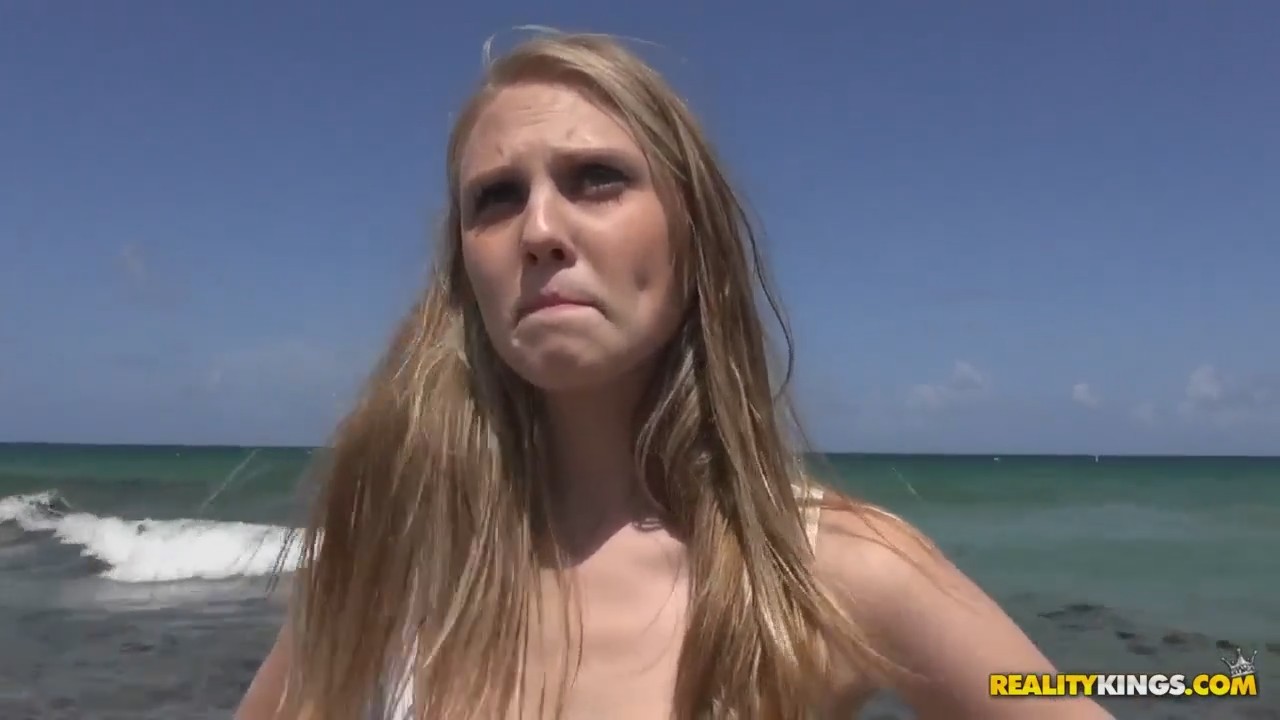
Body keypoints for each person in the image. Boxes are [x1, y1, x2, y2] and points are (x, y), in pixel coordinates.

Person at [235, 30, 1113, 720]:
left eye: (596, 179)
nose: (539, 229)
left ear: (694, 241)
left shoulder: (827, 571)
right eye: (496, 198)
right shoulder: (401, 554)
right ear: (466, 268)